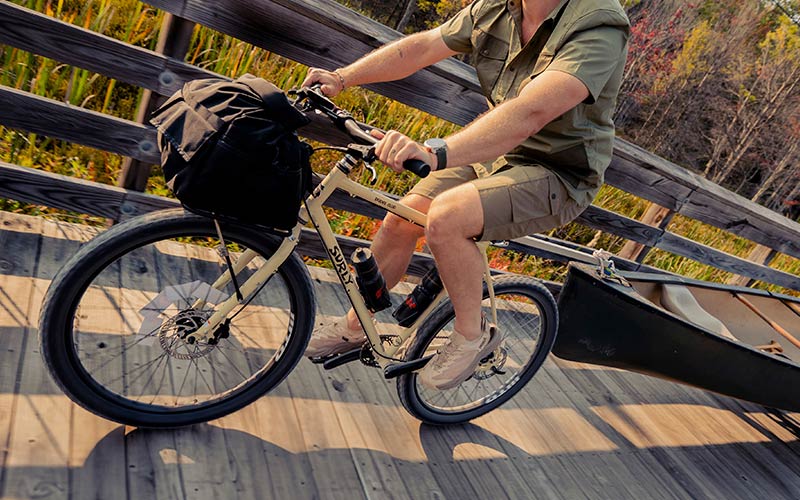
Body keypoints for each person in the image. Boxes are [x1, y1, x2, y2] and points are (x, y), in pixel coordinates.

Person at [301, 0, 630, 390]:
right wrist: (341, 78)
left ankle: (472, 337)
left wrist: (434, 153)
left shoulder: (599, 24)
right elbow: (422, 47)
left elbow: (531, 112)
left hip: (558, 174)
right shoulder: (497, 7)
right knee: (401, 219)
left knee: (448, 218)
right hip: (495, 153)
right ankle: (356, 327)